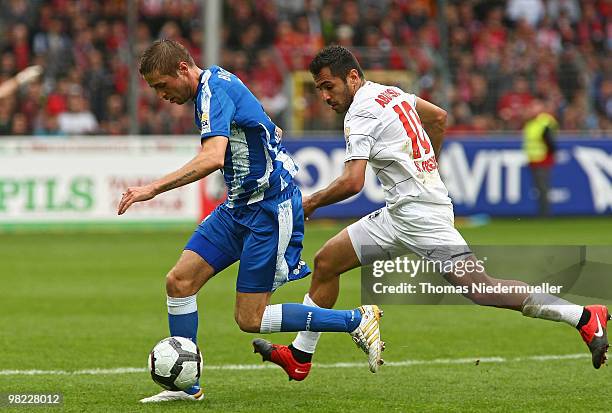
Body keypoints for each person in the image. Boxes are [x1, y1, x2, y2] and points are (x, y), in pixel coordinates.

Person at [254, 45, 609, 381]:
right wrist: (427, 168)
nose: (326, 97)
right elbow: (438, 117)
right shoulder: (389, 92)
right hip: (400, 213)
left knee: (480, 289)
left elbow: (352, 182)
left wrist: (311, 203)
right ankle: (300, 357)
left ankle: (582, 316)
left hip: (422, 218)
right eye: (319, 89)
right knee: (328, 261)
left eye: (328, 86)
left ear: (352, 77)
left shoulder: (359, 112)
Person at [118, 40, 383, 403]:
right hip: (238, 206)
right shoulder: (209, 91)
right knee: (179, 282)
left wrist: (152, 188)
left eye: (162, 85)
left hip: (269, 210)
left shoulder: (214, 89)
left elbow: (213, 157)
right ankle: (187, 385)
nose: (161, 95)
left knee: (249, 318)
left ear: (183, 69)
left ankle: (356, 320)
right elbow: (257, 136)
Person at [522, 98, 557, 216]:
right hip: (534, 159)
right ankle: (542, 211)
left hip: (543, 159)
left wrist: (550, 154)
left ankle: (545, 213)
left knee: (543, 188)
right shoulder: (531, 123)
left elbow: (550, 141)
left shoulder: (544, 122)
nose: (531, 109)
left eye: (534, 106)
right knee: (539, 188)